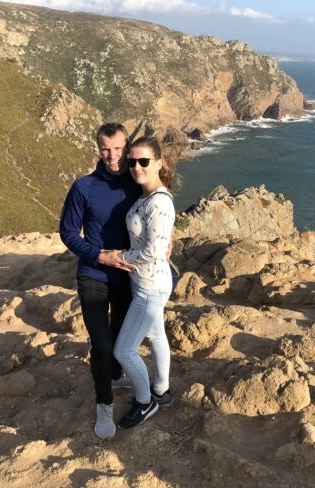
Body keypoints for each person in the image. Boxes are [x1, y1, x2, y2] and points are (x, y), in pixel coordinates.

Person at [59, 122, 142, 440]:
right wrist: (99, 255)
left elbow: (158, 211)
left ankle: (116, 377)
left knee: (121, 340)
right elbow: (68, 233)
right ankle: (104, 403)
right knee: (102, 346)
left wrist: (168, 240)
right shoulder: (83, 187)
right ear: (98, 149)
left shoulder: (137, 183)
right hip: (93, 275)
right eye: (106, 149)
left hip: (127, 276)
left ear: (127, 147)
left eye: (119, 148)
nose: (113, 155)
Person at [112, 136, 176, 429]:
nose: (136, 167)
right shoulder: (147, 196)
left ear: (158, 163)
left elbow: (153, 251)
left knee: (123, 351)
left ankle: (144, 402)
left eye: (144, 161)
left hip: (150, 286)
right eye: (132, 162)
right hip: (146, 281)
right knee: (156, 335)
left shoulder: (158, 202)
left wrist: (118, 256)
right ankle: (161, 390)